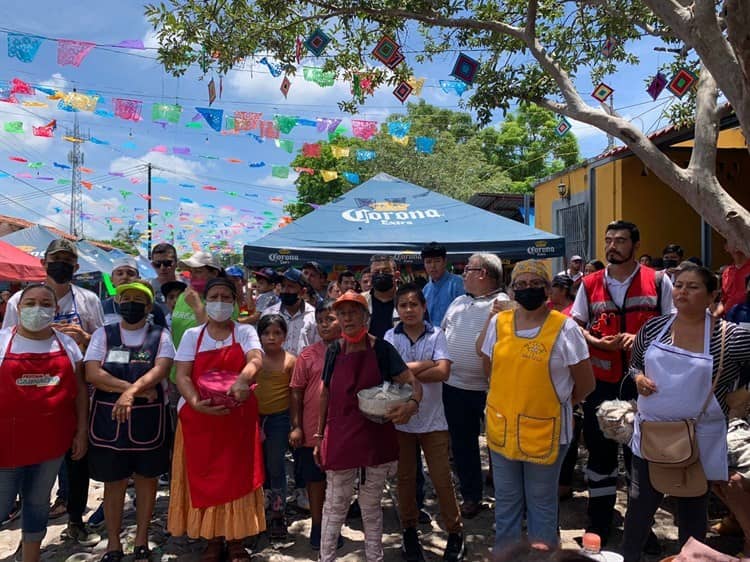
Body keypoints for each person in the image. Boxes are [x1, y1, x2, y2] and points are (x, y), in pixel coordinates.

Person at [622, 262, 750, 562]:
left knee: (693, 509)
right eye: (679, 285)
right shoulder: (654, 327)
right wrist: (638, 378)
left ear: (712, 296)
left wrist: (743, 395)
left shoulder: (730, 337)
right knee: (640, 505)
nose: (682, 292)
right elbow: (635, 363)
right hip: (652, 434)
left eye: (692, 287)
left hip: (700, 437)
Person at [570, 220, 674, 545]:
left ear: (636, 245)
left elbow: (673, 325)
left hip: (644, 384)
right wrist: (597, 342)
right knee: (600, 457)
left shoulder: (658, 281)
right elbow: (575, 326)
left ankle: (640, 526)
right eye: (609, 239)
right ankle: (598, 523)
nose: (613, 245)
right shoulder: (588, 284)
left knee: (640, 458)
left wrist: (639, 337)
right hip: (600, 382)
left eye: (621, 240)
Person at [480, 260, 594, 550]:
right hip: (502, 430)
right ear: (513, 290)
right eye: (521, 284)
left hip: (547, 434)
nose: (528, 289)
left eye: (535, 284)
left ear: (547, 289)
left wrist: (558, 401)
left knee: (542, 504)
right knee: (506, 503)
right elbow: (488, 367)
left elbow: (586, 383)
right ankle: (505, 556)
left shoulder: (564, 328)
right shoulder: (499, 323)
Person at [3, 238, 104, 546]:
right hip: (24, 399)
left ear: (75, 267)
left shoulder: (88, 300)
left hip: (75, 391)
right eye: (55, 259)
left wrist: (83, 338)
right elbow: (10, 336)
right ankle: (25, 519)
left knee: (75, 462)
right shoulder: (16, 300)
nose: (60, 265)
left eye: (67, 260)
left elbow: (100, 342)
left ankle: (75, 518)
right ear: (44, 264)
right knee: (24, 465)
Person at [314, 290, 422, 562]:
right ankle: (325, 558)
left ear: (366, 317)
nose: (347, 318)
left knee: (371, 503)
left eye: (353, 312)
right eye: (342, 313)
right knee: (335, 503)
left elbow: (413, 383)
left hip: (376, 433)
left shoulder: (383, 349)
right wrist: (319, 436)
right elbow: (325, 392)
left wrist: (411, 405)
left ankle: (375, 557)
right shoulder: (334, 350)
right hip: (341, 434)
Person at [168, 277, 265, 562]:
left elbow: (256, 359)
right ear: (206, 301)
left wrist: (244, 379)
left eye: (226, 297)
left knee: (237, 475)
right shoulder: (192, 335)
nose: (220, 302)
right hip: (200, 419)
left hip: (237, 417)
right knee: (204, 476)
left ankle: (236, 539)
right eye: (215, 297)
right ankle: (211, 539)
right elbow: (183, 375)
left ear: (234, 304)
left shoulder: (245, 331)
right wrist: (197, 403)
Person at [84, 280, 175, 562]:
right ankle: (113, 544)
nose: (131, 304)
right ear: (118, 303)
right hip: (108, 424)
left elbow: (161, 370)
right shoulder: (104, 334)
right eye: (126, 299)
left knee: (147, 481)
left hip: (149, 424)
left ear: (148, 307)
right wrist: (132, 390)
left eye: (138, 300)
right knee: (114, 484)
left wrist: (128, 393)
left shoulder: (160, 335)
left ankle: (141, 541)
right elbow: (92, 373)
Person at [0, 284, 88, 562]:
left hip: (51, 444)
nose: (38, 309)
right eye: (30, 303)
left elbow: (81, 391)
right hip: (6, 445)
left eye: (45, 303)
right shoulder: (2, 341)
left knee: (37, 505)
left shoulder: (67, 344)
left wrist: (81, 431)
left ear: (56, 309)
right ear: (18, 307)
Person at [385, 284, 465, 561]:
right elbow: (389, 376)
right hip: (401, 421)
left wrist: (406, 372)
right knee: (405, 480)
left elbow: (443, 371)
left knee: (442, 479)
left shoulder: (437, 334)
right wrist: (424, 366)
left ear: (424, 307)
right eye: (403, 305)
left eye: (414, 305)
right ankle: (408, 531)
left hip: (434, 421)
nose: (409, 310)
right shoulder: (389, 337)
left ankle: (455, 532)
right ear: (397, 309)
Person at [443, 253, 510, 519]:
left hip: (491, 389)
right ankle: (471, 495)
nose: (463, 274)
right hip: (455, 387)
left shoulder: (503, 303)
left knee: (501, 445)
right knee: (462, 445)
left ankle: (507, 499)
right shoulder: (458, 301)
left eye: (467, 269)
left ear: (482, 273)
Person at [289, 299, 342, 550]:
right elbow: (296, 392)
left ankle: (335, 525)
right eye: (320, 321)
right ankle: (318, 524)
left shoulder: (353, 352)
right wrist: (296, 426)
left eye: (330, 319)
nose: (324, 325)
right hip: (312, 430)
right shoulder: (307, 355)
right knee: (315, 479)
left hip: (343, 429)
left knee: (339, 481)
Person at [254, 314, 296, 539]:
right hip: (254, 419)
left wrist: (294, 423)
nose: (271, 337)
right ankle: (260, 508)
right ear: (259, 336)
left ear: (284, 336)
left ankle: (278, 512)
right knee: (257, 464)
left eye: (277, 333)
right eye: (266, 333)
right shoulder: (253, 359)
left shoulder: (290, 360)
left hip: (279, 419)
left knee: (276, 464)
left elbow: (294, 393)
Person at [170, 251, 224, 351]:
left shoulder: (225, 301)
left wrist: (197, 307)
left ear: (214, 274)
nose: (193, 276)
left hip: (206, 364)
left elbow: (217, 338)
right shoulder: (183, 296)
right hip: (179, 364)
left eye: (198, 271)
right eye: (191, 272)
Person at [262, 268, 319, 357]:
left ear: (302, 291)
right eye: (283, 286)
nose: (285, 290)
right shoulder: (269, 314)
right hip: (275, 369)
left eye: (291, 286)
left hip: (303, 369)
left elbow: (317, 348)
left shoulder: (313, 316)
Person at [102, 256, 167, 328]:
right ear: (111, 279)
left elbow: (162, 334)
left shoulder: (152, 307)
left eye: (130, 274)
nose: (125, 277)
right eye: (120, 274)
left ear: (138, 279)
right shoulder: (102, 307)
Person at [421, 242, 465, 326]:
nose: (433, 266)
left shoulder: (458, 284)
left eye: (437, 261)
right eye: (428, 262)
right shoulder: (425, 290)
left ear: (445, 261)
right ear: (424, 264)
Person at [366, 255, 400, 339]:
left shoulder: (407, 300)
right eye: (376, 272)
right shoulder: (362, 301)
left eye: (386, 272)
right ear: (371, 276)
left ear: (396, 275)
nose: (381, 275)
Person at [719, 240, 750, 316]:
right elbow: (724, 300)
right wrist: (715, 315)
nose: (737, 241)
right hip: (729, 320)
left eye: (737, 238)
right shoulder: (727, 272)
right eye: (731, 238)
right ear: (726, 247)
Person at [148, 242, 181, 312]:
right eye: (157, 264)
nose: (162, 268)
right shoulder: (147, 286)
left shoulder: (188, 285)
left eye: (167, 263)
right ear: (152, 265)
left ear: (176, 263)